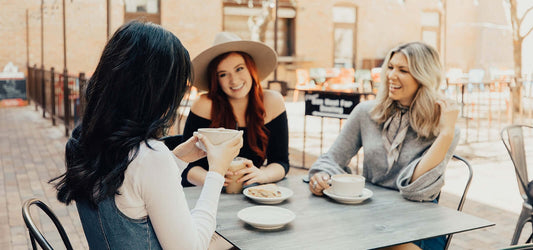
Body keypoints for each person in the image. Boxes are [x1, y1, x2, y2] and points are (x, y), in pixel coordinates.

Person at [50, 21, 243, 249]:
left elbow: (133, 187)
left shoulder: (82, 138)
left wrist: (179, 157)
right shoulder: (149, 157)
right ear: (155, 91)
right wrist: (217, 172)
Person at [308, 42, 460, 250]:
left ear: (423, 76)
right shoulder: (366, 112)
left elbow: (416, 190)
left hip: (419, 224)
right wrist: (322, 175)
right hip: (370, 215)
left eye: (403, 70)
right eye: (390, 67)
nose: (391, 75)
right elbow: (331, 159)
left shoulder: (444, 127)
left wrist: (446, 134)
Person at [181, 32, 289, 188]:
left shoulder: (272, 102)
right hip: (202, 190)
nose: (234, 80)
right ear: (216, 80)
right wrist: (213, 180)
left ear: (251, 69)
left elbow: (280, 162)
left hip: (249, 192)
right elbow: (187, 166)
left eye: (239, 69)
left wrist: (263, 175)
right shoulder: (205, 105)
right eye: (223, 74)